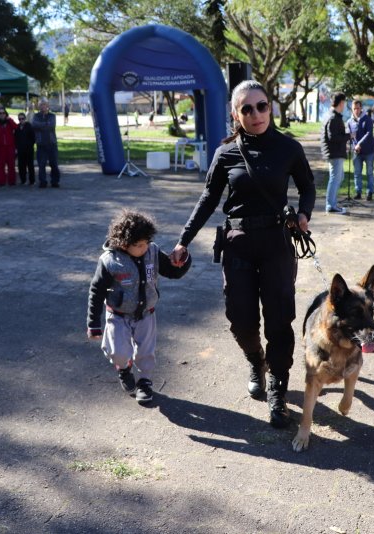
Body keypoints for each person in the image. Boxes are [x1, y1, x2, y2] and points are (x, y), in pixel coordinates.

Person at [168, 80, 316, 428]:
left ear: (271, 107)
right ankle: (255, 359)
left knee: (280, 318)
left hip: (278, 242)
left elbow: (307, 185)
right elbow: (208, 199)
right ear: (236, 114)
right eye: (246, 108)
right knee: (240, 317)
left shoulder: (288, 148)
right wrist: (183, 240)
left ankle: (278, 386)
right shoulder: (226, 153)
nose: (255, 114)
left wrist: (304, 214)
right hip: (238, 242)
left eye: (261, 106)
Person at [87, 210, 191, 404]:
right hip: (118, 315)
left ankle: (145, 382)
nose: (145, 247)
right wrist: (93, 323)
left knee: (146, 353)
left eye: (147, 242)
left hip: (146, 314)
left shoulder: (151, 251)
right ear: (124, 244)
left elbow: (172, 272)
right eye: (139, 245)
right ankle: (123, 368)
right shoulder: (110, 261)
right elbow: (96, 291)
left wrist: (182, 261)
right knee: (118, 352)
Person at [320, 92, 349, 214]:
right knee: (335, 178)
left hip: (334, 152)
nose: (345, 106)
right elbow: (333, 137)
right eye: (344, 103)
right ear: (341, 103)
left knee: (339, 177)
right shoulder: (333, 117)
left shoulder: (331, 115)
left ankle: (332, 203)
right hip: (335, 153)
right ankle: (331, 205)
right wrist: (349, 136)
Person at [347, 99, 374, 201]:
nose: (356, 111)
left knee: (369, 172)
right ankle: (358, 192)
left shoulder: (367, 119)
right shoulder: (349, 121)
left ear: (361, 108)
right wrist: (352, 145)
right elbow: (350, 136)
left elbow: (369, 134)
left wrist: (359, 144)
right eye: (354, 109)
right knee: (357, 173)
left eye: (358, 108)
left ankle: (369, 193)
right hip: (356, 152)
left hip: (369, 151)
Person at [32, 100, 61, 188]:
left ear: (48, 106)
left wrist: (41, 126)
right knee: (41, 164)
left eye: (44, 105)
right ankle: (43, 182)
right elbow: (34, 125)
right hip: (41, 145)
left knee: (54, 164)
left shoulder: (52, 116)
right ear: (39, 106)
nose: (43, 106)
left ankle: (55, 181)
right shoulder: (36, 116)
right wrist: (45, 125)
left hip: (52, 144)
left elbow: (51, 125)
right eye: (41, 105)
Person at [15, 112, 36, 185]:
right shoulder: (17, 127)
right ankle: (23, 180)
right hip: (20, 149)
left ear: (25, 119)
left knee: (30, 165)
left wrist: (30, 145)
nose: (21, 120)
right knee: (21, 165)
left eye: (22, 118)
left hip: (28, 149)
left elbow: (33, 137)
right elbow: (15, 138)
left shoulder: (29, 126)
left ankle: (32, 180)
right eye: (19, 119)